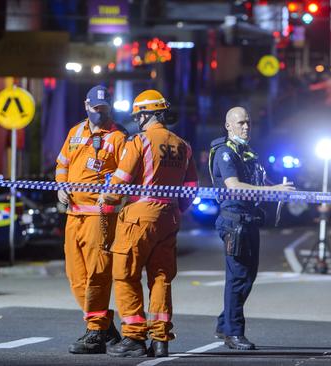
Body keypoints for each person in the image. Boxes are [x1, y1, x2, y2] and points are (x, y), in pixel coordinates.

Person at [103, 90, 198, 358]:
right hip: (169, 217)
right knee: (161, 278)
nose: (137, 121)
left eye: (139, 116)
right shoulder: (183, 146)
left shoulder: (139, 142)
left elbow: (119, 183)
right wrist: (177, 209)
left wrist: (105, 203)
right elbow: (191, 188)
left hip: (139, 217)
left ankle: (133, 337)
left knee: (125, 274)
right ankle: (160, 339)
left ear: (147, 115)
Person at [209, 107, 295, 350]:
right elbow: (234, 186)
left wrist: (277, 186)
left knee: (248, 276)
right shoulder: (226, 152)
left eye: (248, 122)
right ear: (228, 126)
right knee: (237, 278)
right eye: (240, 123)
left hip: (248, 220)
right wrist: (273, 191)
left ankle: (224, 323)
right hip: (234, 221)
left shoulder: (245, 151)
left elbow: (256, 181)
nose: (246, 127)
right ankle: (233, 333)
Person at [55, 85, 126, 354]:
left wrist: (110, 194)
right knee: (76, 276)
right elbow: (61, 163)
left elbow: (127, 173)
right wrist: (61, 185)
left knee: (98, 274)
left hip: (101, 217)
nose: (100, 113)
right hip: (74, 214)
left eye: (104, 108)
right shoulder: (75, 132)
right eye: (96, 108)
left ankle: (95, 330)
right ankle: (105, 326)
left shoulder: (118, 137)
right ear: (86, 105)